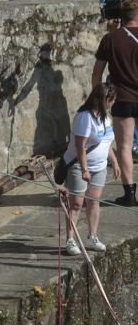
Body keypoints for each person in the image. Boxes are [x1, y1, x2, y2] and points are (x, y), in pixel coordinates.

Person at [62, 84, 119, 255]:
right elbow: (81, 146)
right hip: (79, 166)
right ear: (105, 100)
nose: (114, 103)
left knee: (94, 202)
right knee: (76, 204)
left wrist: (114, 162)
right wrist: (85, 169)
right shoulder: (84, 118)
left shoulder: (107, 117)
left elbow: (106, 142)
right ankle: (71, 239)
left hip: (100, 167)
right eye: (112, 100)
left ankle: (92, 236)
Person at [92, 0, 138, 206]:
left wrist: (99, 98)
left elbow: (97, 73)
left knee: (125, 146)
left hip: (123, 99)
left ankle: (130, 194)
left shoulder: (110, 39)